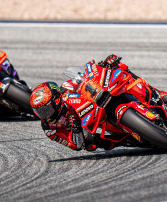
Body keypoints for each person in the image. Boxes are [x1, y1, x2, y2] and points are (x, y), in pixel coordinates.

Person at [30, 55, 167, 151]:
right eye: (40, 112)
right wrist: (76, 128)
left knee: (121, 70)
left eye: (46, 109)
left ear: (57, 100)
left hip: (96, 105)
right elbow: (75, 145)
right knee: (93, 143)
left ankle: (154, 94)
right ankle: (136, 137)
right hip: (92, 128)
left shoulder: (66, 89)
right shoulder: (49, 129)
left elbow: (83, 78)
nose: (44, 115)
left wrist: (104, 65)